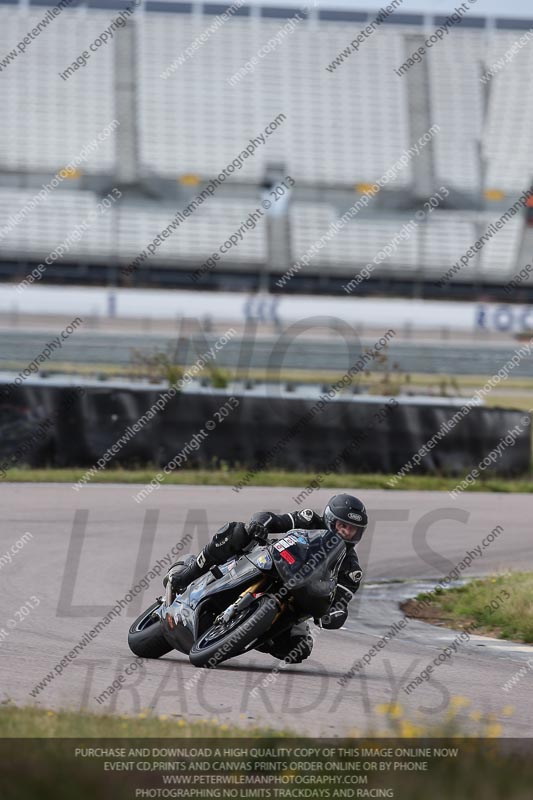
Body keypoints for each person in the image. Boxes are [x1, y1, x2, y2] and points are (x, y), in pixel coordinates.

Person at [164, 493, 367, 664]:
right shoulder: (310, 520)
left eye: (353, 530)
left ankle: (252, 634)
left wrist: (333, 615)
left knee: (299, 648)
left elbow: (340, 603)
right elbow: (273, 519)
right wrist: (259, 524)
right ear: (331, 520)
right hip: (270, 561)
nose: (347, 533)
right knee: (237, 532)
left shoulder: (351, 570)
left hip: (296, 602)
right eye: (343, 526)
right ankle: (189, 572)